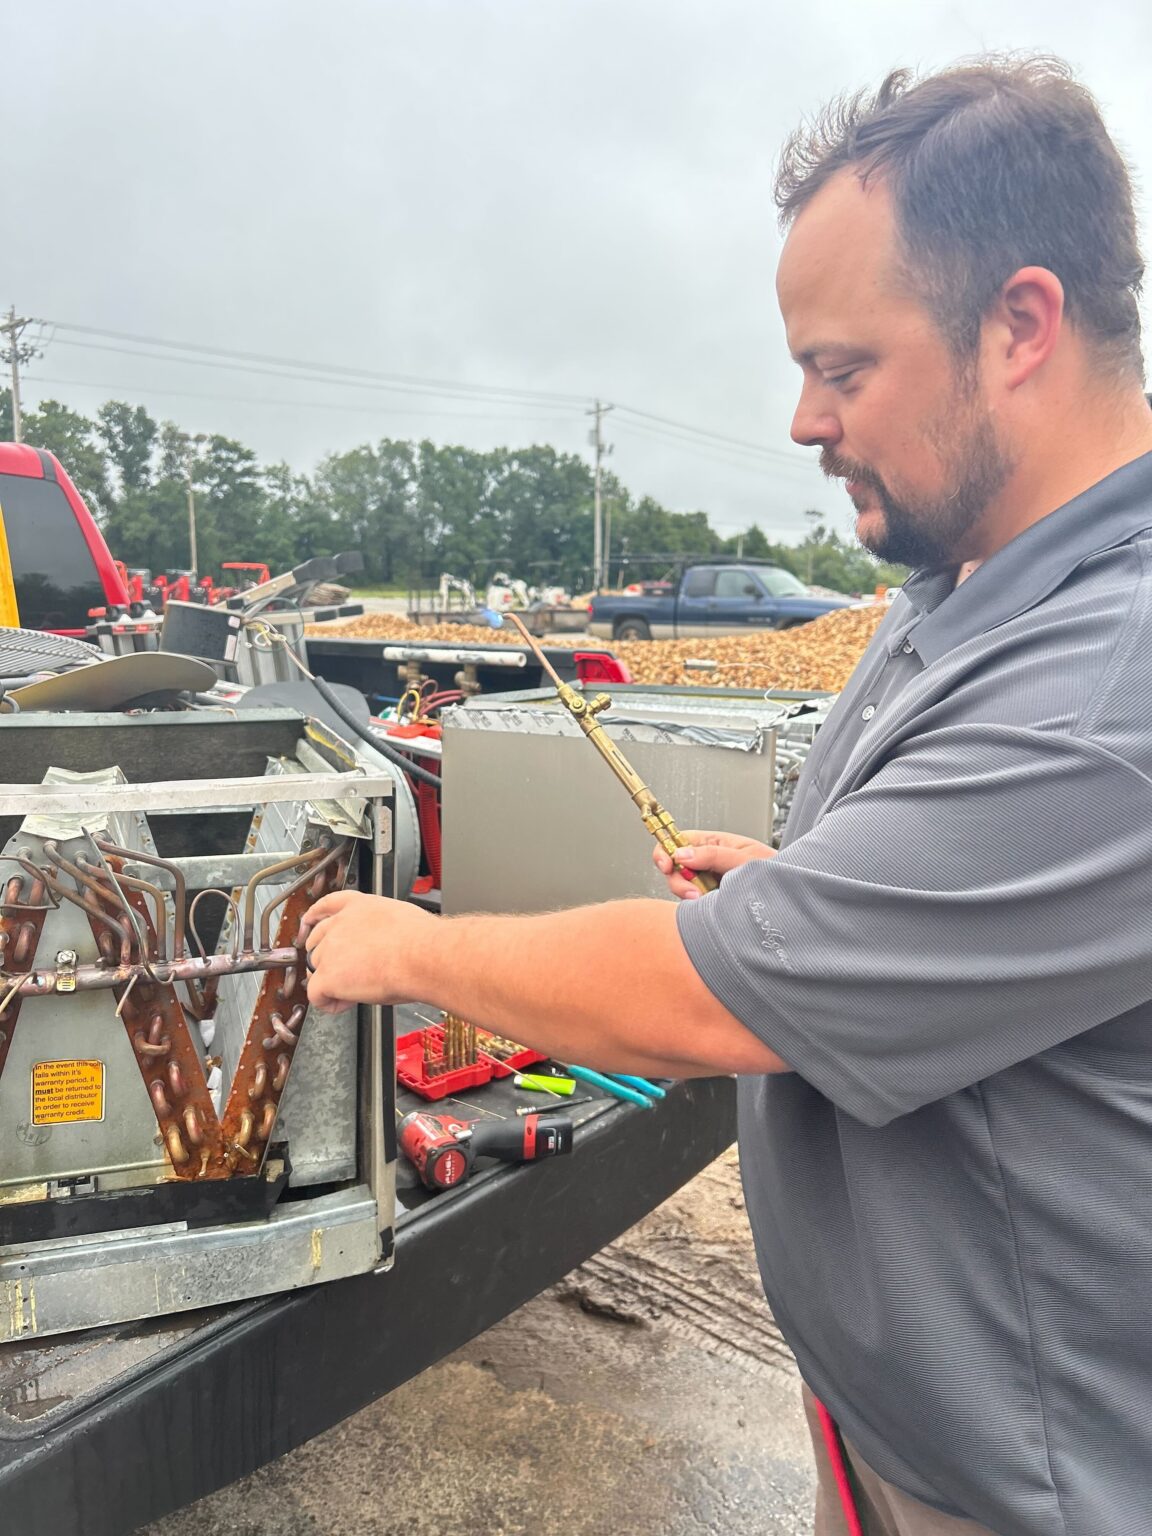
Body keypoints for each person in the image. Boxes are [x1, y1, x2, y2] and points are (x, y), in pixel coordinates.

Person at [301, 57, 1152, 1536]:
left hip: (1028, 1484)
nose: (806, 422)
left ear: (1020, 325)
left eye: (843, 368)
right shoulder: (960, 579)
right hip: (884, 1421)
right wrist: (811, 884)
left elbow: (707, 1007)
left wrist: (400, 945)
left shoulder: (1104, 691)